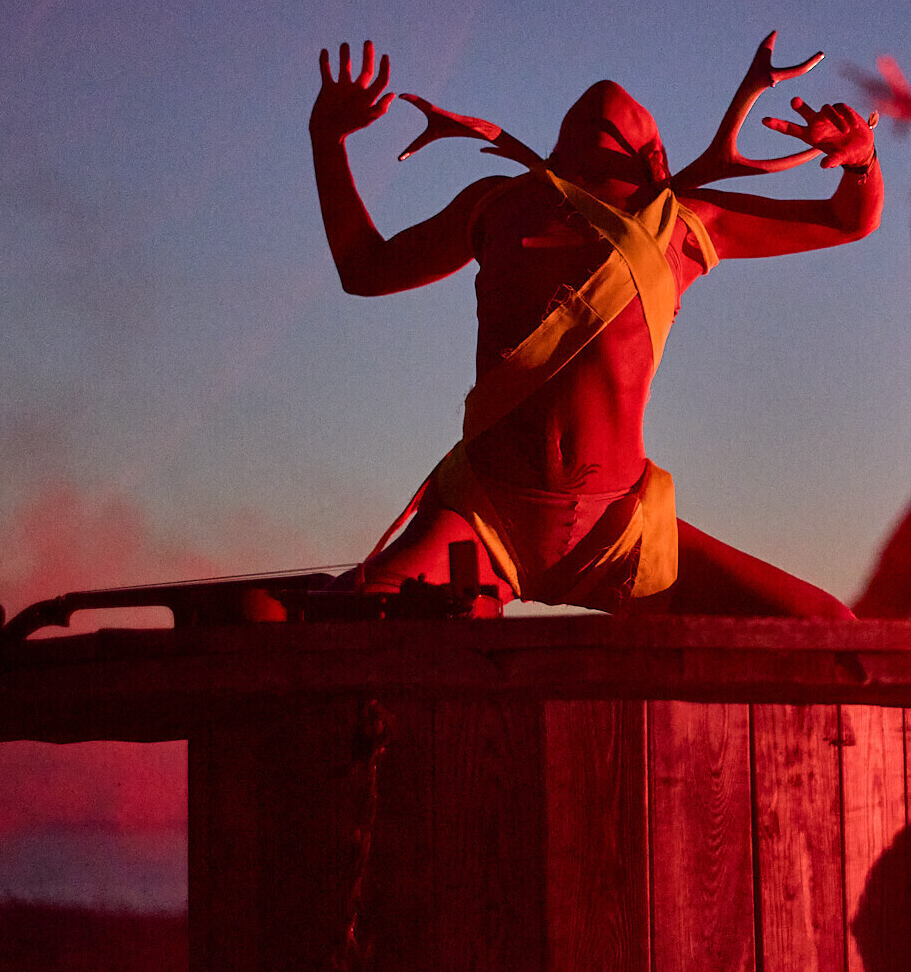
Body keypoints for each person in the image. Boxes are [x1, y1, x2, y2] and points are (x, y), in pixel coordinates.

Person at [308, 36, 880, 617]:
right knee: (327, 625)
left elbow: (848, 220)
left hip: (622, 530)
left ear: (657, 164)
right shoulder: (497, 203)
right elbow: (366, 270)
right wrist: (327, 142)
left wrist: (862, 163)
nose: (607, 104)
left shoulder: (686, 223)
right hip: (481, 518)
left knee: (828, 629)